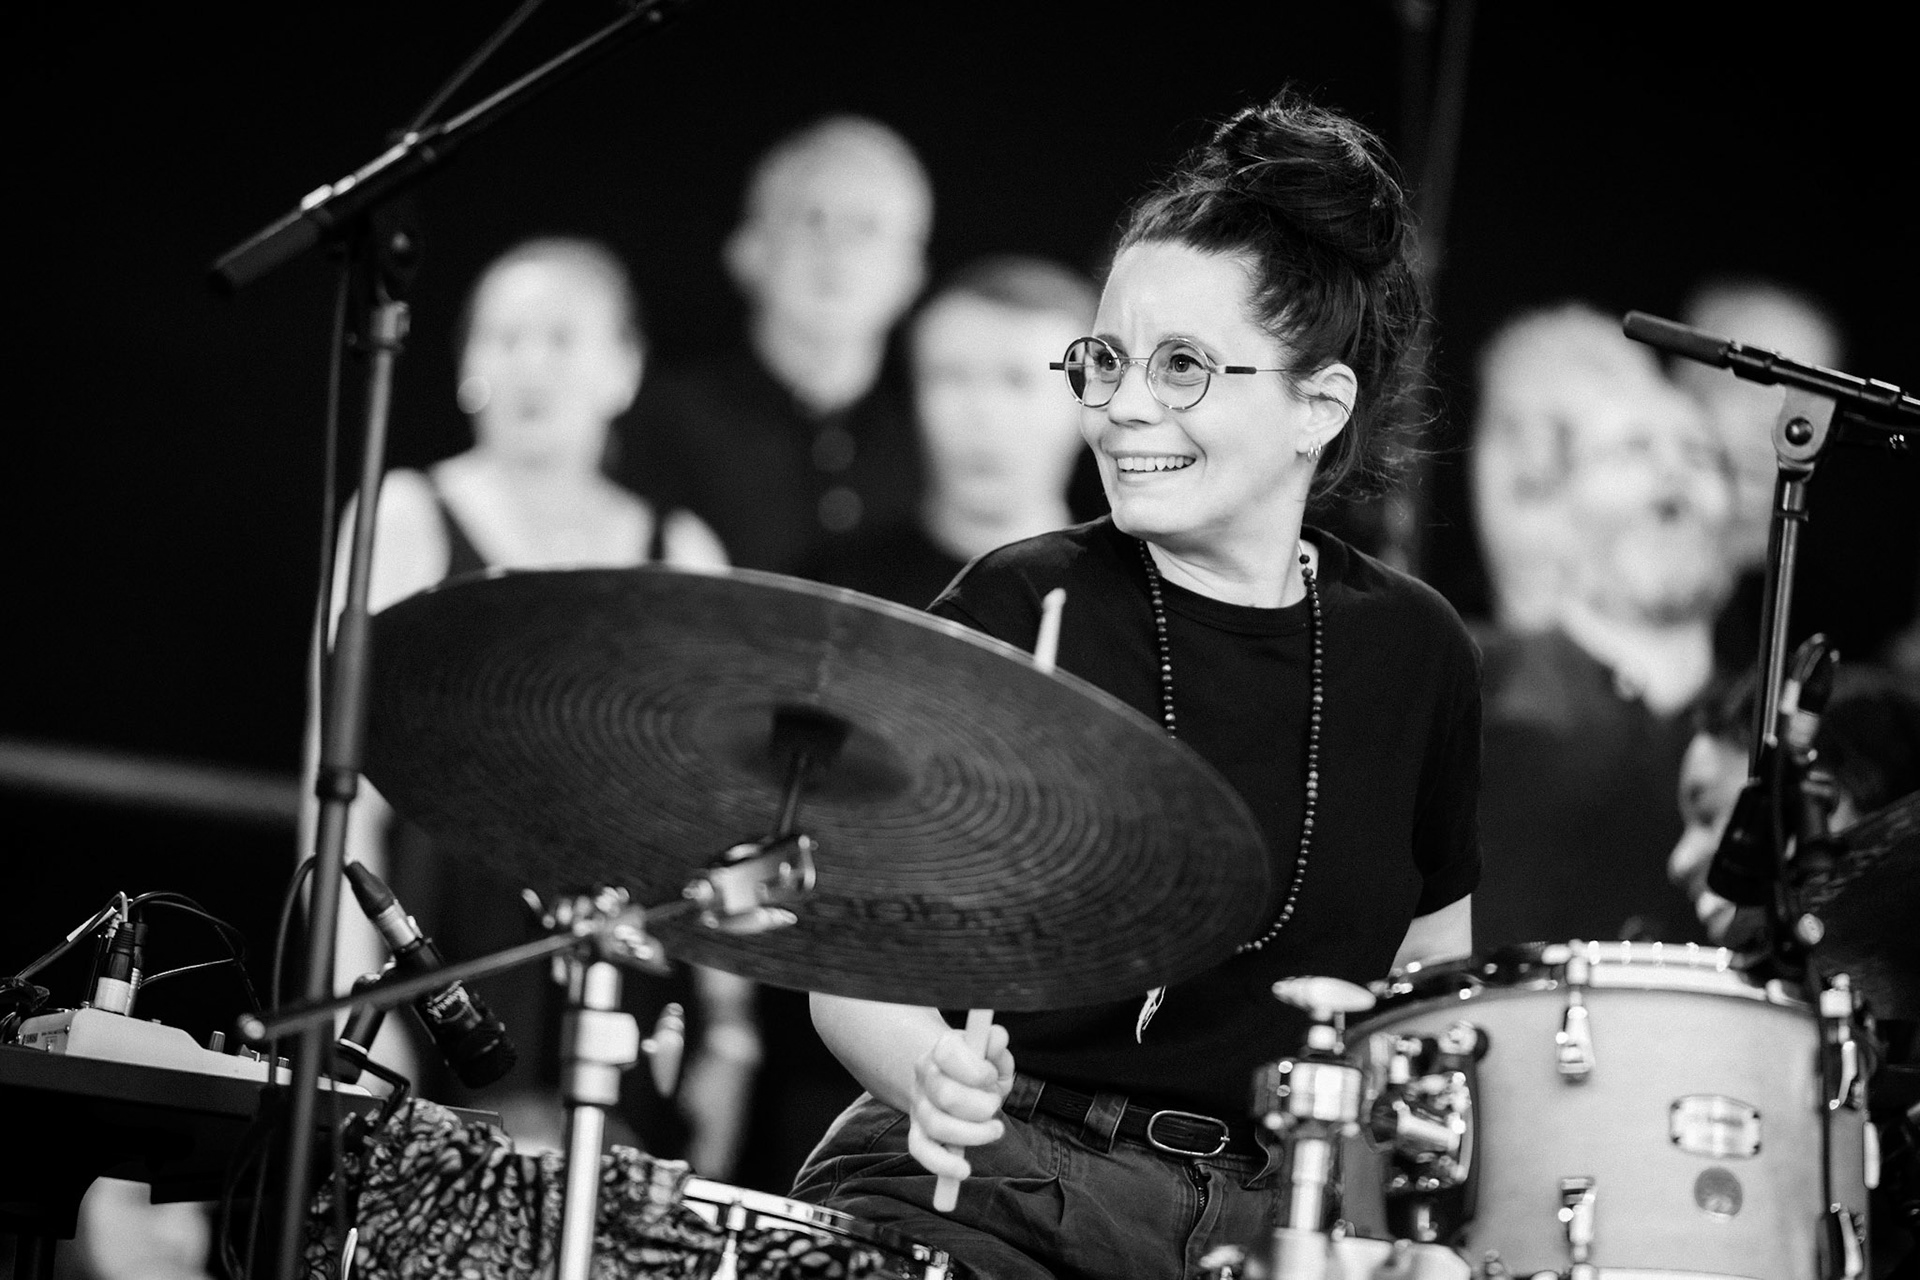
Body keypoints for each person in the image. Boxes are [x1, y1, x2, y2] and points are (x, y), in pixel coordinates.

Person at [787, 88, 1481, 1279]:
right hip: (996, 1183)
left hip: (1279, 1221)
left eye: (1182, 367)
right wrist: (927, 1074)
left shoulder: (1414, 650)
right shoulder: (1021, 602)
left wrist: (1421, 1214)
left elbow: (1438, 998)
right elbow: (843, 960)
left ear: (1319, 404)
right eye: (1106, 359)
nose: (1122, 406)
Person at [321, 237, 756, 1177]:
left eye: (561, 336)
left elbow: (715, 820)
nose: (529, 362)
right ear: (468, 363)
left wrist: (730, 1035)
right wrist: (356, 1012)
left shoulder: (677, 548)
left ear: (625, 368)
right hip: (436, 979)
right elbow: (341, 792)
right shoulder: (406, 511)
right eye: (504, 336)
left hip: (626, 996)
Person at [1467, 301, 1737, 949]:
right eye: (1634, 450)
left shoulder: (1771, 720)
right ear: (1556, 505)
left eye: (1701, 456)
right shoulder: (1471, 677)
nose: (1674, 470)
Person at [615, 114, 934, 575]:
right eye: (810, 218)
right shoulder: (658, 427)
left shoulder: (929, 442)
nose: (835, 249)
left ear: (913, 274)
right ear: (746, 250)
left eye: (866, 227)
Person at [798, 254, 1101, 606]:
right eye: (952, 377)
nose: (982, 412)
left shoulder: (1140, 605)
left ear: (1087, 404)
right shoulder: (833, 594)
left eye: (1017, 380)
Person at [1669, 277, 1847, 674]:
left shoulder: (1806, 622)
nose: (1772, 422)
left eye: (1805, 398)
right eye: (1750, 387)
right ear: (1681, 389)